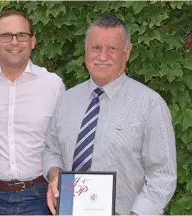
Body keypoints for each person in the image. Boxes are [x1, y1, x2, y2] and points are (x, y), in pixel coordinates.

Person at [43, 16, 177, 215]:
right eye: (96, 48)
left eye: (112, 49)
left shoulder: (150, 105)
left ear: (127, 52)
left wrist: (137, 214)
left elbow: (162, 176)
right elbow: (52, 150)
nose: (102, 56)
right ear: (85, 49)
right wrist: (55, 175)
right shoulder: (67, 100)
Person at [0, 10, 65, 215]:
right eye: (6, 36)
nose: (14, 42)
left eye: (22, 35)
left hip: (39, 196)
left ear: (32, 41)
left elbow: (62, 141)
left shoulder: (53, 84)